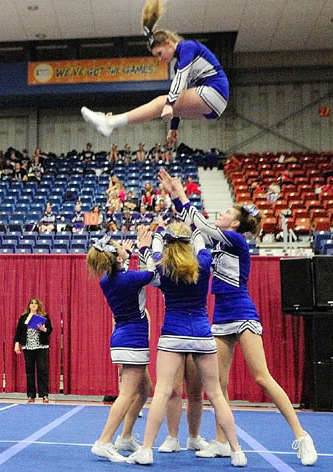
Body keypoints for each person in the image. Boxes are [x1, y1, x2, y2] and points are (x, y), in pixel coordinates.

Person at [160, 169, 318, 466]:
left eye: (227, 212)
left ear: (234, 223)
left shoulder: (235, 240)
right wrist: (174, 196)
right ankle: (221, 442)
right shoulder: (217, 244)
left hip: (242, 312)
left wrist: (182, 195)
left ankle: (302, 435)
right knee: (217, 385)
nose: (221, 213)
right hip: (220, 315)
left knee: (262, 376)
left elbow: (202, 225)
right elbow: (195, 227)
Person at [125, 223, 246, 467]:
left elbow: (150, 253)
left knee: (162, 392)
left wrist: (154, 236)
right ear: (189, 242)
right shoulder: (203, 262)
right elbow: (200, 239)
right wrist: (192, 228)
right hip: (202, 332)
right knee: (215, 394)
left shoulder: (162, 266)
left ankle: (147, 449)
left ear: (168, 243)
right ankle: (237, 451)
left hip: (173, 333)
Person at [82, 0, 229, 146]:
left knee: (161, 102)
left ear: (168, 42)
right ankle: (110, 123)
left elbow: (180, 78)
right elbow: (180, 92)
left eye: (159, 53)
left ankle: (110, 122)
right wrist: (174, 126)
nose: (160, 59)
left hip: (215, 90)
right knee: (161, 107)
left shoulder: (187, 47)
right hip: (213, 108)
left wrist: (169, 103)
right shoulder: (178, 65)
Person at [86, 231, 155, 462]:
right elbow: (153, 273)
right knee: (126, 395)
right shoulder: (129, 279)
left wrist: (125, 254)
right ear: (116, 259)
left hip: (123, 336)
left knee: (145, 388)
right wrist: (145, 249)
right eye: (120, 248)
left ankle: (125, 436)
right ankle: (104, 441)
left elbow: (126, 272)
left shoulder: (108, 279)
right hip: (133, 338)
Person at [13, 298, 52, 403]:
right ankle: (31, 395)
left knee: (42, 370)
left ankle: (44, 395)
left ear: (38, 306)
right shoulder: (23, 318)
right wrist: (17, 345)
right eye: (32, 303)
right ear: (29, 305)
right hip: (28, 347)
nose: (34, 305)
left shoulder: (44, 317)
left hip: (41, 347)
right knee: (29, 371)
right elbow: (18, 332)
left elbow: (50, 330)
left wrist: (44, 329)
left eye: (36, 304)